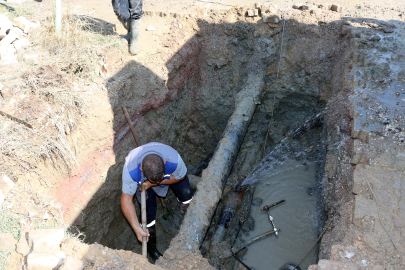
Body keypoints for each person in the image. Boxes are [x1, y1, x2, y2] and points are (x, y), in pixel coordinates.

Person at [121, 142, 194, 262]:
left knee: (186, 193)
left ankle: (187, 212)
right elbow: (126, 200)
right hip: (142, 184)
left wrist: (154, 183)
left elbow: (180, 176)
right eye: (153, 181)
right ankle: (153, 251)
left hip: (161, 178)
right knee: (148, 216)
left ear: (164, 163)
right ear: (142, 170)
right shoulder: (131, 171)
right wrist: (136, 227)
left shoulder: (173, 159)